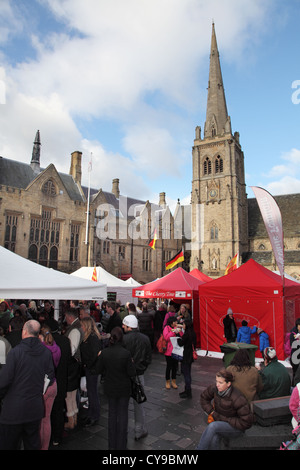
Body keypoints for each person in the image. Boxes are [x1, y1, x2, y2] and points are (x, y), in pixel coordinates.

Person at [0, 320, 55, 450]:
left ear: (24, 332)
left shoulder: (16, 352)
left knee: (9, 444)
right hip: (34, 408)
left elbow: (4, 381)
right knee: (32, 442)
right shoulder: (46, 352)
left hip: (14, 410)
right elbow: (50, 377)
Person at [94, 327, 136, 450]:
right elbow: (131, 372)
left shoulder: (105, 352)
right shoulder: (126, 353)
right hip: (123, 388)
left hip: (110, 387)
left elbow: (98, 370)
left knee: (112, 415)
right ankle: (122, 445)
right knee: (123, 415)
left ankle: (112, 445)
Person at [196, 369, 253, 450]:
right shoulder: (214, 388)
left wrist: (225, 419)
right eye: (216, 381)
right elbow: (203, 398)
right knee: (214, 437)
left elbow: (246, 423)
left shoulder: (237, 398)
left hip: (236, 428)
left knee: (213, 426)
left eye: (220, 383)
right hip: (219, 422)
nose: (217, 385)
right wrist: (211, 412)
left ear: (228, 384)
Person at [122, 314, 152, 441]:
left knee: (123, 404)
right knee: (138, 403)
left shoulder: (123, 339)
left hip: (125, 375)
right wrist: (141, 367)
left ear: (129, 327)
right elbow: (148, 358)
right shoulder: (145, 339)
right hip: (139, 374)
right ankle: (139, 430)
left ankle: (123, 429)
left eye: (124, 325)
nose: (122, 326)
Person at [39, 325, 61, 450]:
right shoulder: (56, 348)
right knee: (46, 419)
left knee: (39, 420)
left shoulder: (42, 350)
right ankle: (45, 447)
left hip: (43, 386)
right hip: (53, 384)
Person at [80, 316, 102, 427]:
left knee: (92, 392)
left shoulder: (92, 338)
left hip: (92, 369)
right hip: (90, 368)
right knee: (91, 392)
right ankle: (91, 414)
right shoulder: (90, 337)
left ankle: (94, 415)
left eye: (82, 325)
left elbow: (94, 354)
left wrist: (87, 364)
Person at [64, 308, 83, 430]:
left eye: (66, 317)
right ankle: (74, 418)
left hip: (72, 367)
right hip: (75, 366)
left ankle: (71, 421)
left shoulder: (74, 329)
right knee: (72, 394)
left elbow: (72, 350)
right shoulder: (77, 327)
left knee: (69, 395)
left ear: (70, 317)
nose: (65, 319)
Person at [177, 318, 197, 398]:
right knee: (188, 372)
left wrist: (178, 336)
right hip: (190, 356)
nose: (183, 326)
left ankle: (188, 391)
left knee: (186, 374)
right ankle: (187, 390)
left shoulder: (187, 334)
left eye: (184, 324)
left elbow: (181, 343)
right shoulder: (193, 333)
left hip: (186, 356)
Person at [163, 316, 183, 390]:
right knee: (169, 367)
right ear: (171, 322)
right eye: (175, 322)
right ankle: (167, 381)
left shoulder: (177, 328)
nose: (176, 323)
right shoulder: (167, 328)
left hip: (176, 350)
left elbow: (181, 336)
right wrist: (173, 331)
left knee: (175, 367)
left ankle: (174, 381)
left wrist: (179, 331)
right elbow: (166, 338)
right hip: (169, 351)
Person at [290, 318, 300, 384]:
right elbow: (293, 345)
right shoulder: (293, 333)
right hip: (295, 356)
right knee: (296, 372)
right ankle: (294, 386)